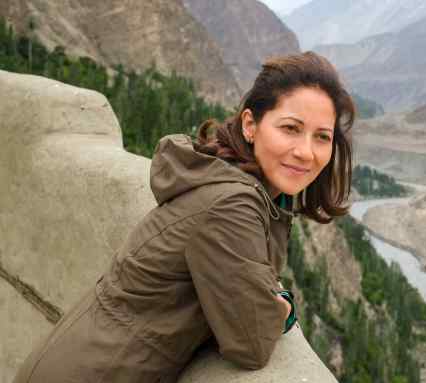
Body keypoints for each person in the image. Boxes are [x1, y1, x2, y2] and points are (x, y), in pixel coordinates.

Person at [13, 51, 355, 383]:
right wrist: (282, 307)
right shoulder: (231, 204)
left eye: (321, 137)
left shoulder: (227, 180)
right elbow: (253, 341)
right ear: (251, 125)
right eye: (291, 129)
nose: (306, 152)